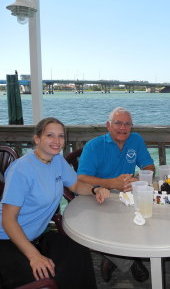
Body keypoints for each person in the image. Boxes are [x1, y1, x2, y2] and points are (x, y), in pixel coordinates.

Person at [0, 117, 110, 289]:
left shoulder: (57, 161)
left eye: (61, 136)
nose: (57, 141)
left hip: (37, 236)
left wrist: (95, 189)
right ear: (37, 139)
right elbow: (8, 220)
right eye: (50, 135)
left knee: (78, 253)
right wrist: (34, 256)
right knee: (41, 279)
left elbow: (75, 185)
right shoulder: (21, 170)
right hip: (7, 240)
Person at [77, 107, 155, 284]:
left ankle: (111, 259)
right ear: (108, 125)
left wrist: (137, 180)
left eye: (127, 124)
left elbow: (149, 167)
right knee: (108, 224)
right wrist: (111, 183)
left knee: (147, 215)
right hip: (97, 194)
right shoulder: (94, 146)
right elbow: (81, 177)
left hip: (126, 194)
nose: (123, 128)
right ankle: (129, 262)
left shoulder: (135, 140)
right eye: (118, 123)